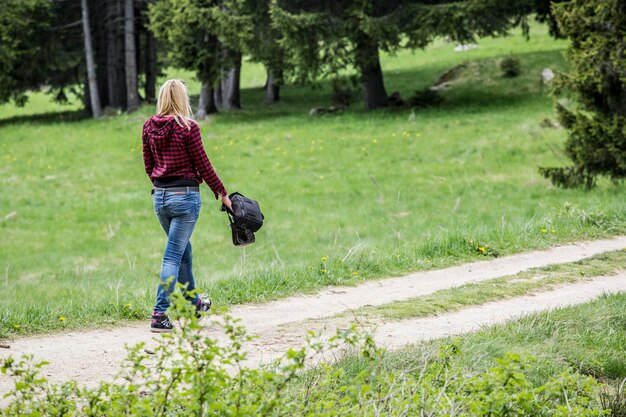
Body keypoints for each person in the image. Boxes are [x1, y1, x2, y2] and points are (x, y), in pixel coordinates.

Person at [141, 79, 232, 333]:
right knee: (172, 256)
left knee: (183, 252)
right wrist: (222, 193)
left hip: (160, 197)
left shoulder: (149, 126)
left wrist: (162, 184)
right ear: (182, 99)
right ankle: (160, 314)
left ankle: (193, 303)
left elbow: (148, 164)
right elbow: (203, 164)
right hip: (185, 197)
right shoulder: (188, 127)